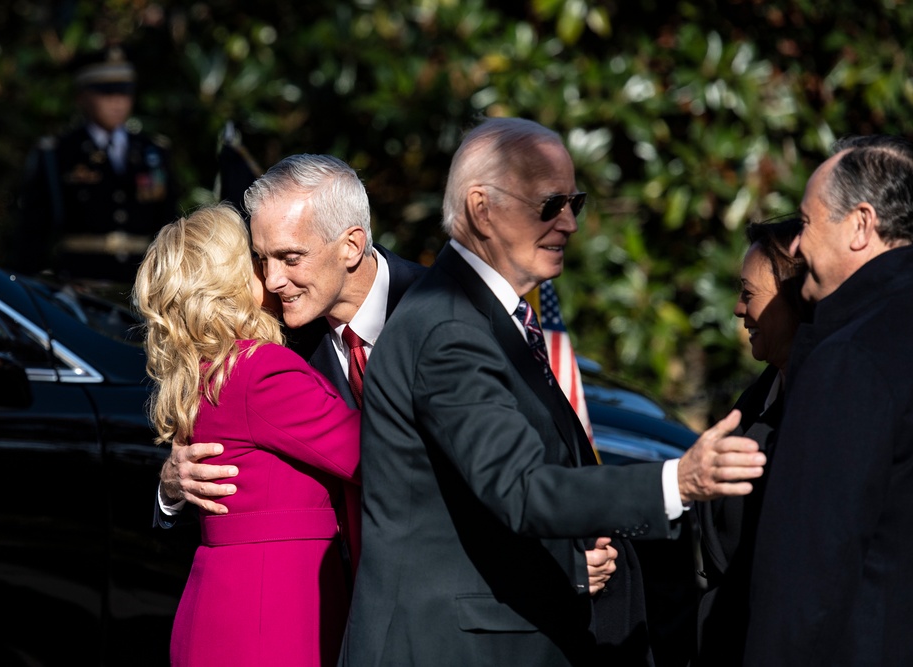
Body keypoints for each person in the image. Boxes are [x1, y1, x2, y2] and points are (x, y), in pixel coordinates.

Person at [339, 117, 766, 666]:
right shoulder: (449, 328)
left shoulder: (478, 315)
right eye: (548, 204)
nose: (568, 223)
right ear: (481, 209)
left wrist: (567, 555)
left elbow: (468, 502)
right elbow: (519, 486)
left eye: (574, 203)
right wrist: (678, 480)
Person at [133, 203, 361, 666]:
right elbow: (371, 452)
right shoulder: (258, 370)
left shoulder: (206, 371)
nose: (272, 273)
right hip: (272, 614)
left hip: (232, 603)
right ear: (233, 279)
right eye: (257, 260)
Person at [743, 135, 913, 665]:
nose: (794, 247)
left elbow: (808, 574)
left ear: (861, 224)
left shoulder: (850, 359)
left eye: (806, 224)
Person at [693, 215, 811, 665]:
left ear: (794, 298)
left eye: (748, 294)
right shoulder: (758, 396)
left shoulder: (824, 405)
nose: (738, 310)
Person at [16, 45, 177, 287]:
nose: (117, 101)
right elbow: (33, 231)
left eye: (124, 92)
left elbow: (168, 221)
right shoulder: (58, 153)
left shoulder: (153, 151)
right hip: (78, 284)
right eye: (106, 92)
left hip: (142, 283)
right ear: (82, 96)